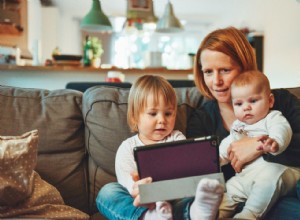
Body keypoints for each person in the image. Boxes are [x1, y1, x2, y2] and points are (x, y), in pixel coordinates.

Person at [97, 26, 300, 219]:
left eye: (225, 70)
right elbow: (201, 175)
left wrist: (257, 146)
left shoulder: (280, 102)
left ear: (245, 67)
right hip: (224, 198)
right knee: (109, 192)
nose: (216, 81)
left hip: (273, 194)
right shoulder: (201, 119)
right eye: (208, 72)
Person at [97, 74, 224, 220]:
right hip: (141, 202)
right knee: (107, 192)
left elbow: (186, 172)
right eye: (153, 114)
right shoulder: (127, 147)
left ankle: (197, 212)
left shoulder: (177, 138)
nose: (162, 120)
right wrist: (140, 189)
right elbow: (127, 183)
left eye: (168, 113)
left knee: (196, 194)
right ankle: (149, 217)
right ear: (134, 117)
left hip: (173, 199)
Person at [217, 70, 299, 219]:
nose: (246, 107)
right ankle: (214, 214)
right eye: (239, 103)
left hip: (280, 172)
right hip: (245, 177)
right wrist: (216, 159)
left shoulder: (272, 117)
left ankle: (249, 215)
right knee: (230, 188)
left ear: (270, 101)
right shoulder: (238, 125)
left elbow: (282, 130)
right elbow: (228, 145)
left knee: (268, 178)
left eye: (253, 101)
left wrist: (275, 142)